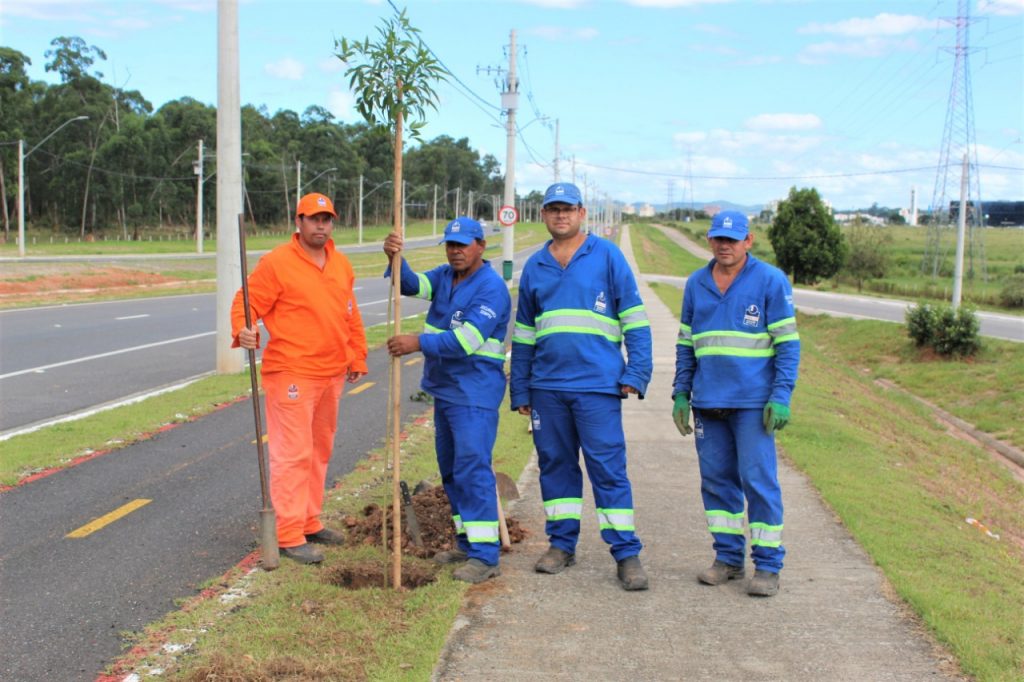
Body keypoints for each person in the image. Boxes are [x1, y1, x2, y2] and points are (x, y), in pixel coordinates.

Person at [510, 182, 652, 591]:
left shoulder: (607, 256)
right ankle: (561, 545)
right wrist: (521, 389)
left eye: (567, 209)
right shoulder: (536, 265)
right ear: (544, 215)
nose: (561, 215)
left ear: (582, 212)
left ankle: (626, 553)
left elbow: (636, 322)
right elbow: (523, 336)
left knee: (608, 470)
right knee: (555, 468)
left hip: (597, 388)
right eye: (553, 209)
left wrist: (635, 373)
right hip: (547, 389)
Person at [231, 192, 368, 565]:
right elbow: (247, 302)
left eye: (326, 219)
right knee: (292, 453)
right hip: (291, 371)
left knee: (319, 449)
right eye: (313, 219)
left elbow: (349, 313)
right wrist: (243, 329)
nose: (320, 225)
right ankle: (289, 532)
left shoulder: (340, 264)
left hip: (331, 372)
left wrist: (356, 354)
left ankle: (308, 519)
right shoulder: (277, 263)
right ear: (299, 222)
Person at [672, 210, 800, 597]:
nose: (724, 245)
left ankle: (767, 565)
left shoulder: (770, 281)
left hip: (752, 405)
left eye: (733, 239)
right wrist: (680, 392)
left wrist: (781, 397)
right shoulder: (696, 283)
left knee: (758, 482)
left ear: (748, 241)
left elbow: (788, 346)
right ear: (709, 241)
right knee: (716, 483)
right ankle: (728, 558)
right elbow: (685, 345)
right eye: (718, 239)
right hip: (708, 402)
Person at [383, 217, 511, 584]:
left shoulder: (491, 288)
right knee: (452, 471)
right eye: (451, 245)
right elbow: (409, 283)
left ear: (481, 246)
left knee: (473, 469)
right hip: (445, 391)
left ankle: (486, 556)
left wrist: (417, 342)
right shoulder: (443, 276)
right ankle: (466, 542)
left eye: (463, 245)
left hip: (475, 395)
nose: (456, 251)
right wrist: (394, 256)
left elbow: (466, 342)